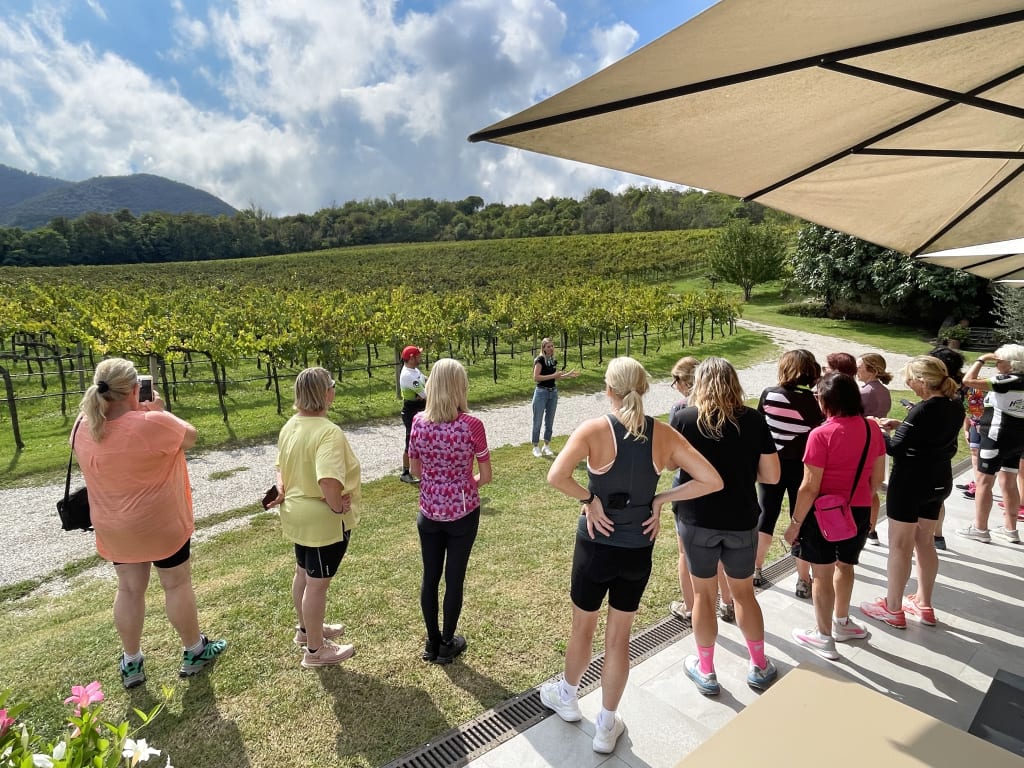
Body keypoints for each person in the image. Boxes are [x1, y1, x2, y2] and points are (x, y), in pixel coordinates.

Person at [543, 357, 721, 754]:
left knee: (582, 628)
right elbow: (712, 479)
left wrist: (590, 499)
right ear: (644, 387)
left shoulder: (594, 429)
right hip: (637, 551)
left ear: (609, 390)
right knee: (619, 640)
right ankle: (607, 726)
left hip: (595, 547)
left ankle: (567, 697)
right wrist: (661, 499)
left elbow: (556, 476)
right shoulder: (663, 435)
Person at [72, 358, 226, 689]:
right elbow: (191, 436)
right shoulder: (153, 423)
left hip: (115, 526)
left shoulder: (82, 426)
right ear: (134, 390)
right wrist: (156, 409)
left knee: (128, 589)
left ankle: (131, 662)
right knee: (176, 584)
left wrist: (139, 412)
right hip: (161, 524)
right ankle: (194, 649)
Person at [671, 358, 782, 696]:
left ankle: (706, 670)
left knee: (703, 596)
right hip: (742, 518)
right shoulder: (754, 420)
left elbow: (669, 464)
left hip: (696, 519)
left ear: (699, 383)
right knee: (744, 595)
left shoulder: (684, 418)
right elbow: (772, 476)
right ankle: (759, 665)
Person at [785, 372, 885, 661]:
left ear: (826, 401)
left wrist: (794, 524)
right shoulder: (872, 429)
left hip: (823, 515)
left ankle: (823, 635)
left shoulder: (820, 434)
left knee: (822, 574)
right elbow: (877, 479)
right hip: (859, 509)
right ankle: (842, 622)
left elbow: (809, 487)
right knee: (847, 565)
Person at [859, 357, 963, 629]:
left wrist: (875, 428)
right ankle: (924, 603)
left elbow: (895, 448)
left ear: (922, 381)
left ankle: (892, 608)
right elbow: (927, 437)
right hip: (939, 479)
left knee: (900, 546)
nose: (909, 385)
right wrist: (901, 427)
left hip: (910, 483)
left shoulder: (922, 411)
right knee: (925, 542)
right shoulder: (954, 405)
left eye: (910, 380)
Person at [272, 367, 359, 668]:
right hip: (321, 520)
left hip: (296, 514)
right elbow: (328, 479)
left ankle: (307, 629)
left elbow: (279, 470)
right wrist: (337, 507)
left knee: (303, 575)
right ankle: (315, 651)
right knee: (317, 584)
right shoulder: (327, 432)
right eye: (332, 385)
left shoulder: (290, 426)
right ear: (325, 393)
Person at [408, 358, 491, 665]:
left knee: (430, 576)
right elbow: (487, 474)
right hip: (463, 510)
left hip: (429, 510)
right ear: (460, 387)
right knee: (454, 578)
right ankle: (447, 642)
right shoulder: (472, 426)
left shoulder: (418, 422)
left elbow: (415, 468)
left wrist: (435, 480)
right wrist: (467, 484)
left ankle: (431, 641)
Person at [755, 350, 823, 594]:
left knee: (765, 516)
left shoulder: (769, 394)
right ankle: (804, 581)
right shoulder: (816, 401)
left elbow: (760, 426)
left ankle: (756, 569)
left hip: (770, 466)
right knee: (801, 520)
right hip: (803, 468)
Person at [956, 345, 1024, 544]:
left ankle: (980, 528)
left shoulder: (1007, 380)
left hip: (996, 436)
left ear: (1012, 363)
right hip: (1018, 437)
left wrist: (981, 360)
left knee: (985, 482)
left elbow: (967, 381)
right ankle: (1011, 530)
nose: (997, 364)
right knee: (1009, 481)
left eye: (999, 361)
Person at [929, 345, 967, 550]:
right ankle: (938, 535)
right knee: (938, 497)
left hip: (933, 450)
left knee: (930, 497)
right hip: (946, 448)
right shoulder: (956, 390)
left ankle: (929, 536)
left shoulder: (943, 392)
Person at [857, 353, 892, 545]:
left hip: (867, 442)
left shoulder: (866, 392)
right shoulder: (883, 390)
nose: (857, 370)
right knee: (874, 487)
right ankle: (871, 529)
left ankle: (864, 528)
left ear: (873, 369)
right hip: (881, 440)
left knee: (866, 487)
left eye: (860, 366)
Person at [531, 337, 578, 457]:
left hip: (553, 392)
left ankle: (546, 445)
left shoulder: (552, 360)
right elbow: (536, 377)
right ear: (543, 348)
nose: (551, 348)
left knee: (549, 421)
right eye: (548, 346)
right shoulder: (540, 360)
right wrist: (553, 375)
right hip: (541, 392)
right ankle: (535, 446)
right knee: (538, 420)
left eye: (552, 346)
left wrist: (568, 375)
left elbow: (555, 377)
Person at [399, 345, 428, 484]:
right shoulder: (408, 375)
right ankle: (405, 472)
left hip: (419, 407)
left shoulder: (414, 370)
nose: (420, 357)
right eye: (418, 355)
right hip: (411, 410)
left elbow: (425, 380)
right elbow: (425, 394)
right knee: (411, 440)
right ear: (411, 358)